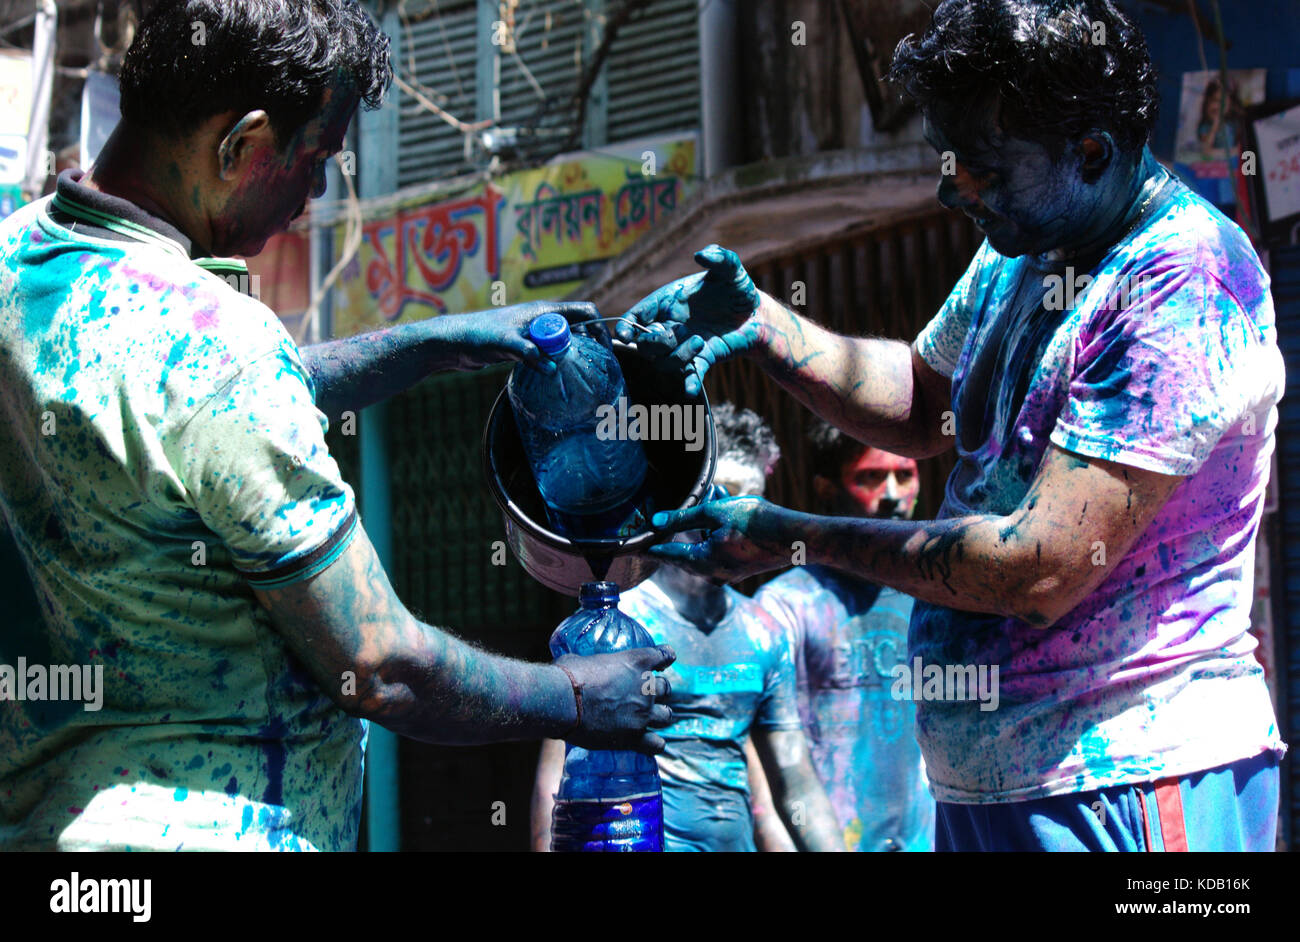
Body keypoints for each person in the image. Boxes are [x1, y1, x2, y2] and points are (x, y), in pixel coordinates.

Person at [0, 0, 672, 852]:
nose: (315, 195)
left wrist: (426, 344)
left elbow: (161, 411)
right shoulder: (218, 350)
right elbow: (381, 667)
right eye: (315, 159)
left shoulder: (20, 262)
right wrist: (576, 698)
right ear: (240, 145)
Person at [616, 0, 1285, 851]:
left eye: (984, 166)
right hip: (990, 784)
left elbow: (1039, 570)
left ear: (1089, 153)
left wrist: (793, 536)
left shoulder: (1182, 283)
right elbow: (925, 400)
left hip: (1138, 781)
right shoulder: (1028, 247)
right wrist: (764, 327)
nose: (952, 187)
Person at [531, 404, 841, 852]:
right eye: (721, 495)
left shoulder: (765, 631)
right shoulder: (615, 627)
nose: (733, 523)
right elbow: (557, 780)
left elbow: (790, 784)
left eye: (749, 505)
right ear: (684, 497)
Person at [752, 424, 935, 851]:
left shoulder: (938, 602)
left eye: (905, 475)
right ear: (825, 489)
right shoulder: (786, 607)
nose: (892, 493)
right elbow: (763, 756)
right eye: (871, 477)